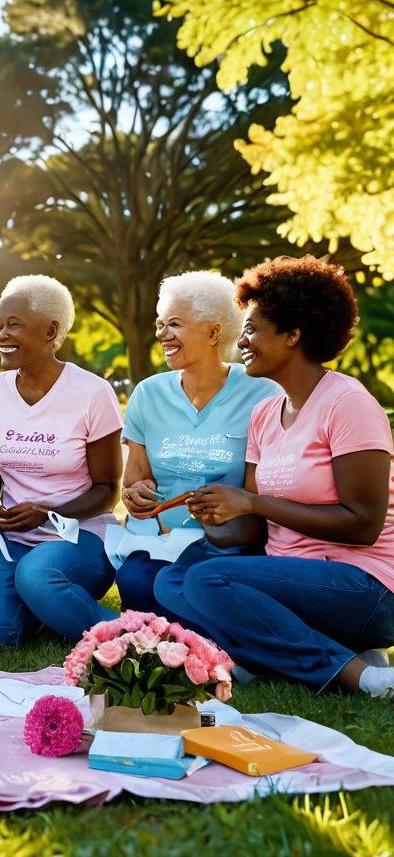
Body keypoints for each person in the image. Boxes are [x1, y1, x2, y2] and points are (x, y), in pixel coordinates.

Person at [161, 256, 394, 696]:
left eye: (252, 329)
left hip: (366, 585)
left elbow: (364, 524)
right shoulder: (266, 413)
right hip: (290, 573)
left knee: (207, 581)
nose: (241, 342)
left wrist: (251, 503)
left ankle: (358, 676)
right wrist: (217, 511)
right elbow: (253, 525)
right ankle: (307, 651)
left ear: (293, 335)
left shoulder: (348, 403)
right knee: (172, 579)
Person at [0, 274, 123, 649]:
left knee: (36, 575)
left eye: (13, 325)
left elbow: (107, 491)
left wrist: (48, 512)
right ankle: (49, 610)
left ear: (50, 331)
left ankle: (131, 637)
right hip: (10, 538)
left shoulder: (92, 393)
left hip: (80, 535)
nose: (0, 334)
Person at [112, 271, 280, 620]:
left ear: (214, 332)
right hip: (158, 539)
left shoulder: (262, 393)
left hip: (227, 544)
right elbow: (135, 482)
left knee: (189, 591)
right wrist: (137, 494)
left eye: (173, 324)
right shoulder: (148, 393)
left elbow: (266, 491)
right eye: (159, 324)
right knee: (136, 582)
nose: (161, 334)